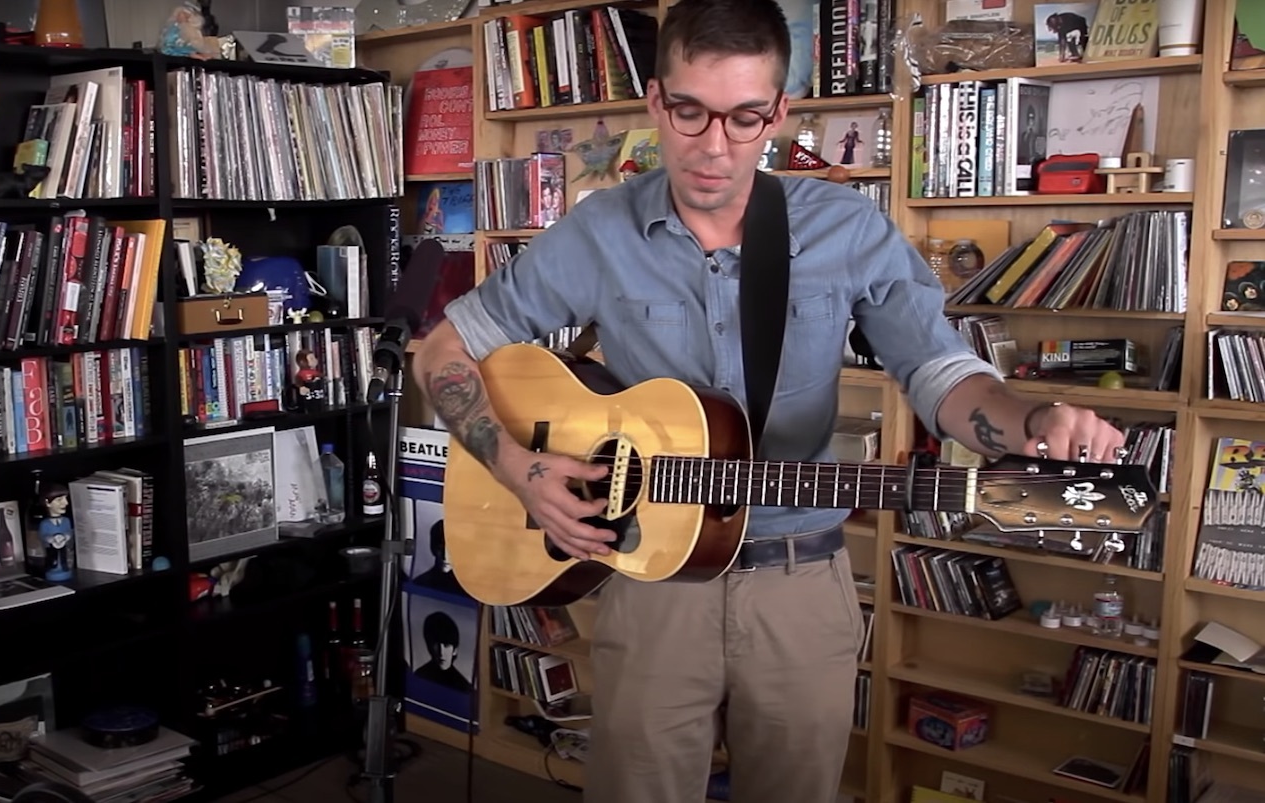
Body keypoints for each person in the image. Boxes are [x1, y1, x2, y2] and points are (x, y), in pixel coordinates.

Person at [410, 1, 1129, 801]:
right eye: (689, 112)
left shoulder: (847, 229)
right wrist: (517, 468)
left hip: (799, 586)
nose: (714, 147)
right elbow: (443, 349)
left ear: (779, 113)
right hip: (651, 585)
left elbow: (937, 369)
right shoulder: (597, 232)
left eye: (746, 118)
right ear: (656, 101)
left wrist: (1029, 422)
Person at [412, 610, 472, 692]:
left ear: (455, 650)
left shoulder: (463, 686)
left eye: (446, 645)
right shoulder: (419, 675)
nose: (441, 652)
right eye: (436, 645)